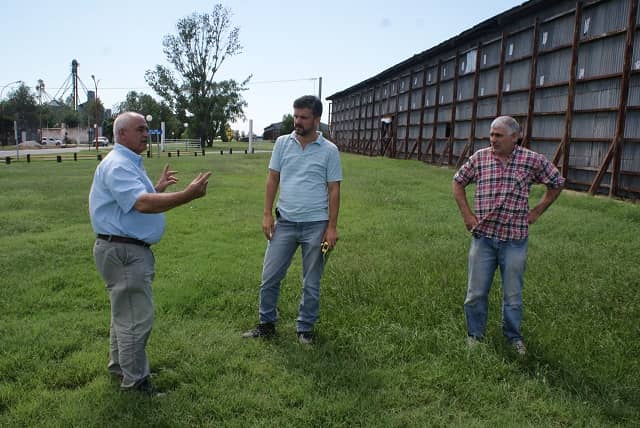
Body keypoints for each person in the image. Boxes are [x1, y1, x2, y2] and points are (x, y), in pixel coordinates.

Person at [89, 112, 211, 393]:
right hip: (125, 252)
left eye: (147, 129)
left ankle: (121, 368)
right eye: (140, 129)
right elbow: (142, 204)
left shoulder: (126, 162)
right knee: (135, 319)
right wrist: (188, 195)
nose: (146, 134)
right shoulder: (119, 165)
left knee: (125, 314)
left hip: (121, 247)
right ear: (121, 134)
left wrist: (157, 188)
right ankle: (136, 383)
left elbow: (128, 202)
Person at [452, 116, 564, 355]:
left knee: (513, 295)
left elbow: (557, 182)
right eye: (491, 134)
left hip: (514, 240)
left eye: (498, 135)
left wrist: (537, 211)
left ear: (515, 137)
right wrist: (467, 215)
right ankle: (475, 336)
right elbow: (457, 182)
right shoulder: (480, 158)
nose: (493, 139)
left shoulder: (531, 160)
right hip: (483, 238)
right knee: (475, 293)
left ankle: (513, 338)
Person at [243, 95, 342, 345]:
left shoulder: (329, 150)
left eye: (303, 117)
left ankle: (305, 329)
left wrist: (331, 227)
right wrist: (267, 214)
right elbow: (272, 179)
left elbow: (334, 189)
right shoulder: (282, 143)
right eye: (296, 116)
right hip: (284, 222)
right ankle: (266, 325)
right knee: (270, 277)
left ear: (317, 119)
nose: (297, 121)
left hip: (316, 226)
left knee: (311, 282)